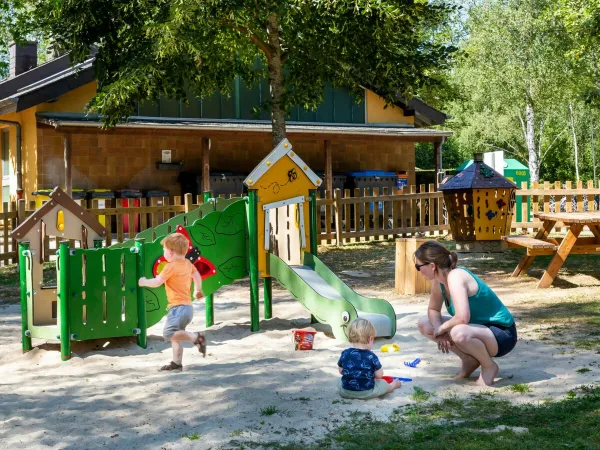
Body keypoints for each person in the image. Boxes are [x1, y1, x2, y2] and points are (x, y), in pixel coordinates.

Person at [414, 241, 517, 386]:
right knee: (424, 323)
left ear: (432, 266)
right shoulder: (439, 281)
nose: (418, 270)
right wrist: (438, 328)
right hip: (477, 330)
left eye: (418, 266)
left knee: (458, 331)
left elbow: (462, 317)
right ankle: (468, 360)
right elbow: (433, 310)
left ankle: (488, 365)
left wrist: (442, 328)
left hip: (502, 334)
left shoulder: (456, 276)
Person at [138, 232, 206, 372]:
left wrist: (143, 282)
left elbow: (157, 282)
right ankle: (176, 363)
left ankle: (196, 338)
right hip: (188, 308)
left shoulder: (170, 266)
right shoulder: (187, 264)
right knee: (176, 337)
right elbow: (197, 275)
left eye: (164, 250)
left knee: (168, 334)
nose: (163, 253)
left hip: (177, 309)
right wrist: (197, 289)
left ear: (170, 252)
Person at [337, 318, 401, 399]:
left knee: (339, 381)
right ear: (370, 339)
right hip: (367, 392)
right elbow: (379, 375)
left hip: (346, 392)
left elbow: (341, 371)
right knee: (382, 383)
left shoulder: (345, 353)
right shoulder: (371, 356)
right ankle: (393, 386)